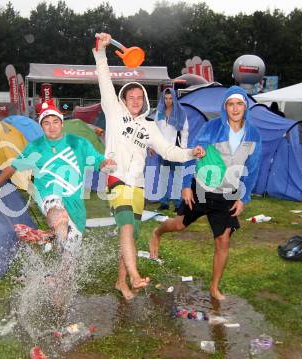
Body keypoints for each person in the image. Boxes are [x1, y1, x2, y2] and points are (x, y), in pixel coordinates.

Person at [93, 33, 205, 300]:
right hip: (117, 179)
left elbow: (168, 150)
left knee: (128, 234)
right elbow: (104, 79)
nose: (134, 100)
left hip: (138, 186)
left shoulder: (150, 126)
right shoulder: (114, 112)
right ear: (122, 100)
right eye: (129, 96)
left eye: (138, 97)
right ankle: (133, 276)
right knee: (126, 229)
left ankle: (121, 281)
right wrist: (101, 52)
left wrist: (191, 152)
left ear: (144, 101)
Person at [149, 86, 262, 300]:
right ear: (225, 107)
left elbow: (253, 169)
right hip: (200, 188)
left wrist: (243, 198)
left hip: (228, 193)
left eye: (239, 104)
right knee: (179, 225)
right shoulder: (212, 128)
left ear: (245, 106)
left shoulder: (254, 135)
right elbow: (194, 154)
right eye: (231, 104)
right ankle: (157, 232)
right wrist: (184, 184)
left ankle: (214, 287)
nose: (235, 108)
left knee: (223, 240)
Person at [0, 101, 116, 255]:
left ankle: (51, 245)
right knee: (58, 215)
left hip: (75, 201)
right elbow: (13, 167)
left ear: (61, 123)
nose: (52, 126)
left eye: (55, 122)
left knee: (70, 255)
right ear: (41, 126)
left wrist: (107, 163)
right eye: (46, 123)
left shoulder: (78, 143)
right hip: (49, 194)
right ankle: (54, 235)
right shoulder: (36, 147)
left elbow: (98, 161)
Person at [150, 88, 189, 212]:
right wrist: (152, 146)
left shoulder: (180, 112)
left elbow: (185, 131)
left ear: (174, 98)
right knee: (164, 176)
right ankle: (164, 202)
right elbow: (154, 130)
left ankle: (178, 204)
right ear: (163, 99)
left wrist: (183, 149)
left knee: (177, 176)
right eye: (166, 98)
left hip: (176, 149)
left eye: (170, 98)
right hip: (162, 150)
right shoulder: (159, 112)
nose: (168, 101)